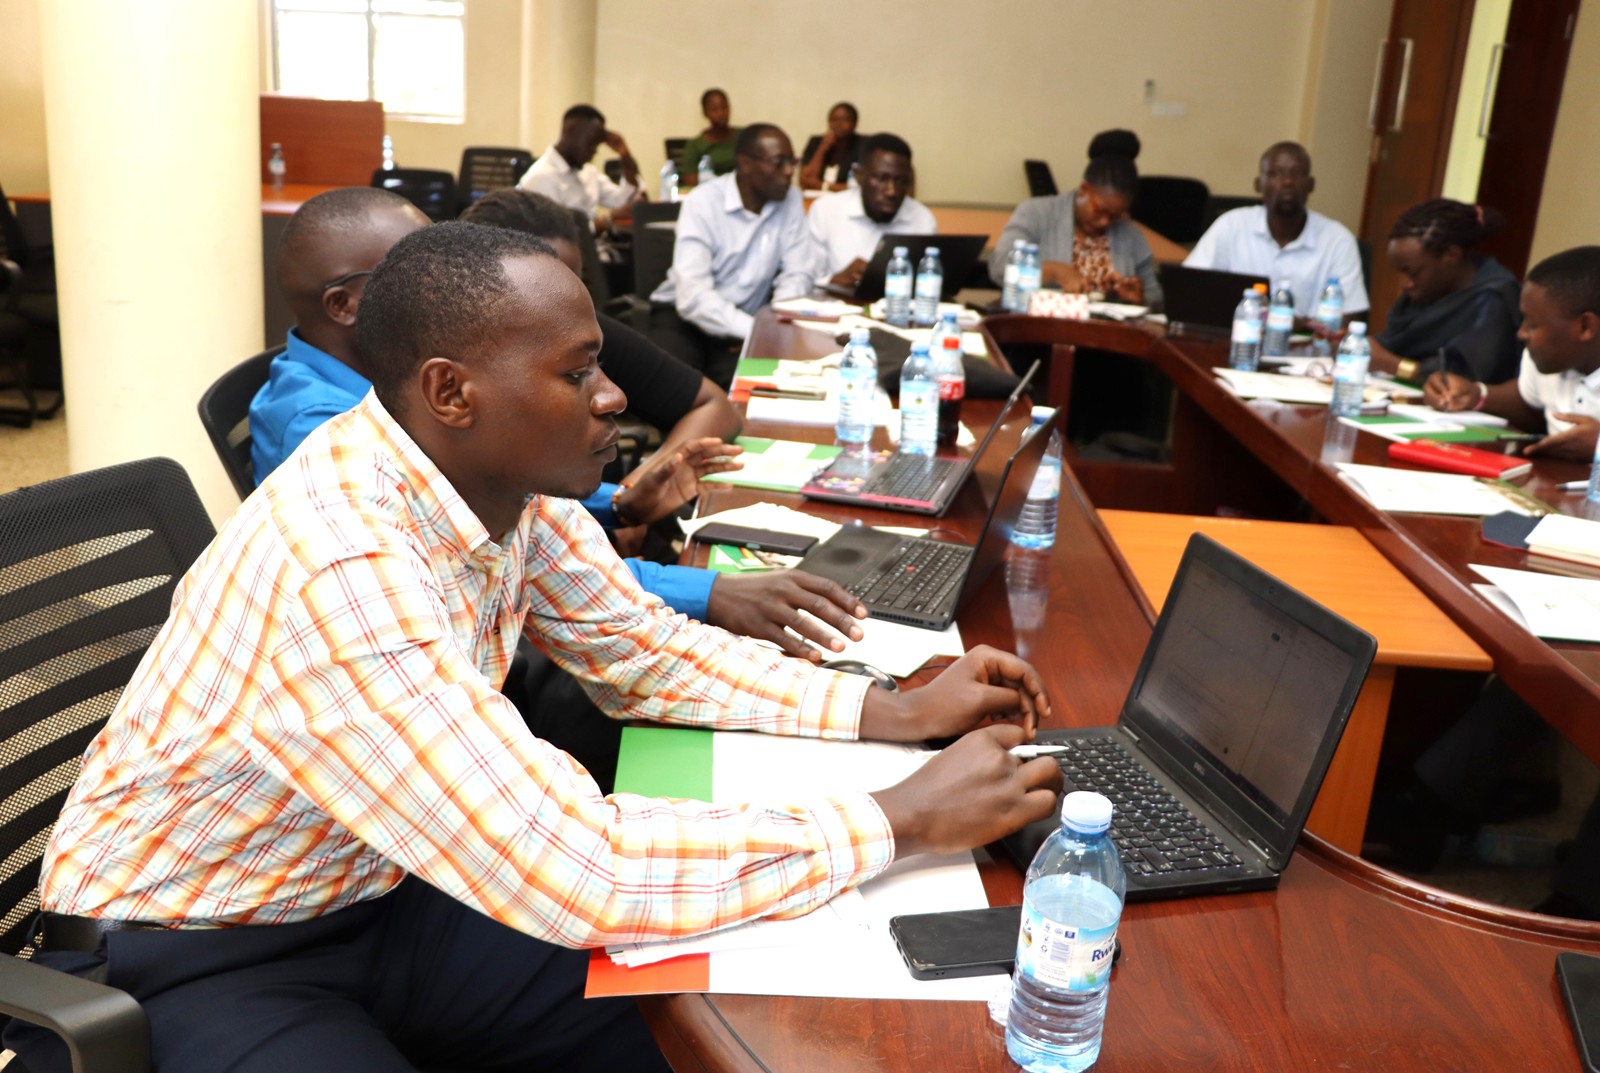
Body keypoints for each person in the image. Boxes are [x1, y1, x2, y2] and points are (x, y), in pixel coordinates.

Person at [8, 220, 1063, 1073]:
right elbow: (576, 866)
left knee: (689, 1011)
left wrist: (891, 708)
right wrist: (899, 814)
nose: (614, 398)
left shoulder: (501, 483)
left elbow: (641, 649)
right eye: (578, 371)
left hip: (377, 886)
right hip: (198, 948)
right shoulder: (343, 571)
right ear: (452, 391)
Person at [650, 123, 815, 389]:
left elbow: (797, 272)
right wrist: (754, 330)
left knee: (755, 389)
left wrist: (772, 324)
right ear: (745, 164)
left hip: (743, 319)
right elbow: (692, 296)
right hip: (683, 318)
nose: (789, 173)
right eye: (778, 163)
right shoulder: (703, 202)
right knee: (678, 391)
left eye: (792, 162)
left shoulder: (790, 199)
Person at [1423, 245, 1600, 462]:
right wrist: (1476, 395)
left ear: (1585, 327)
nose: (1521, 333)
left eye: (1533, 325)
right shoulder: (1549, 358)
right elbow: (1527, 400)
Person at [1184, 141, 1368, 318]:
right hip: (1235, 341)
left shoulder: (1337, 240)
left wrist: (1294, 325)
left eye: (1297, 173)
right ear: (1258, 184)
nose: (1287, 181)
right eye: (1275, 173)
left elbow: (1347, 318)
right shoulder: (1231, 226)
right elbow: (1189, 287)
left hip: (1307, 348)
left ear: (1311, 184)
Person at [1365, 198, 1521, 384]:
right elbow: (1390, 345)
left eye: (1413, 273)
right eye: (1401, 272)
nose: (1405, 283)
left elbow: (1464, 379)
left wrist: (1392, 365)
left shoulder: (1494, 298)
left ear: (1451, 255)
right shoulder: (1427, 292)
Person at [989, 145, 1161, 307]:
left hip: (1108, 334)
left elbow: (1156, 297)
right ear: (1084, 190)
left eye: (1115, 215)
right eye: (1100, 211)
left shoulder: (1129, 232)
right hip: (1044, 328)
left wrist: (1138, 300)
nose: (1105, 221)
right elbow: (999, 268)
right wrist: (1052, 270)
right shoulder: (1036, 213)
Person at [806, 132, 936, 289]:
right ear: (858, 175)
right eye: (881, 178)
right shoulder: (826, 211)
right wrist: (834, 280)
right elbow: (804, 277)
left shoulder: (922, 218)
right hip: (837, 308)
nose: (891, 191)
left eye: (901, 180)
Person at [515, 103, 640, 226]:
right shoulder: (540, 178)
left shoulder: (588, 171)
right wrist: (607, 220)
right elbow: (558, 238)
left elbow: (626, 200)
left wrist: (624, 154)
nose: (595, 150)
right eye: (591, 142)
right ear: (570, 132)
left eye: (597, 144)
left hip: (596, 245)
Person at [678, 88, 739, 187]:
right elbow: (691, 185)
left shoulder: (743, 137)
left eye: (724, 107)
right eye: (714, 109)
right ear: (705, 113)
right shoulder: (696, 145)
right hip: (711, 195)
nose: (721, 113)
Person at [799, 101, 863, 192]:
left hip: (846, 201)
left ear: (855, 123)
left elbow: (858, 187)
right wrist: (822, 148)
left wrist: (822, 186)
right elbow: (804, 181)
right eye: (834, 119)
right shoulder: (816, 142)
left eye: (844, 119)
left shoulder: (862, 145)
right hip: (815, 199)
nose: (838, 124)